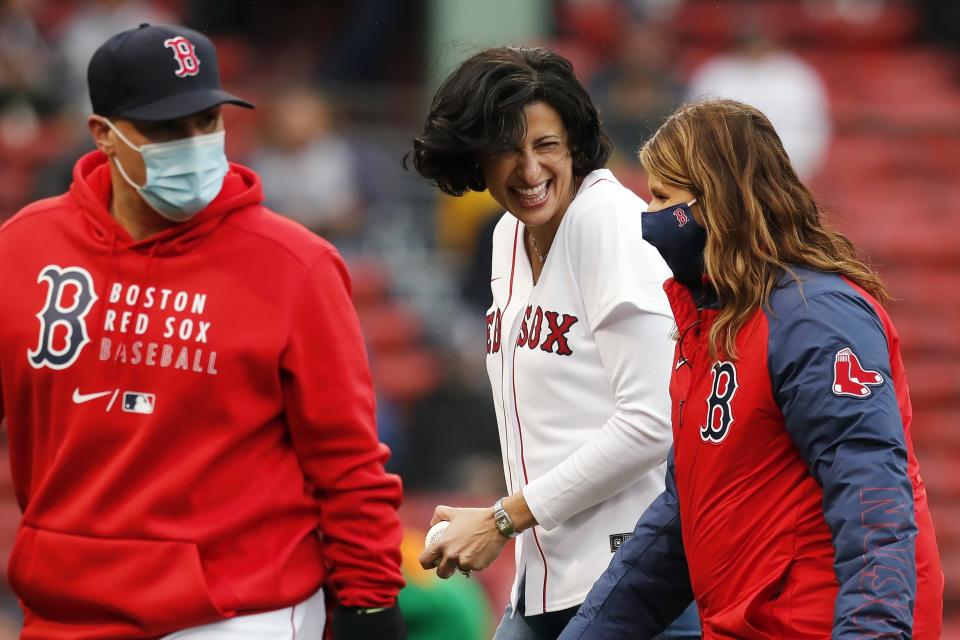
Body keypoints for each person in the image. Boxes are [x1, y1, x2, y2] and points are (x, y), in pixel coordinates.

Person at [0, 24, 406, 639]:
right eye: (167, 128)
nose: (194, 144)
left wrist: (369, 601)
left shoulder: (296, 263)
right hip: (63, 611)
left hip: (237, 612)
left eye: (206, 121)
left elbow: (347, 461)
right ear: (104, 136)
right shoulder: (23, 248)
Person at [559, 99, 944, 639]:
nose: (650, 218)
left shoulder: (817, 318)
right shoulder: (710, 322)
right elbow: (680, 516)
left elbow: (871, 493)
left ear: (719, 200)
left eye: (664, 198)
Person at [407, 46, 700, 639]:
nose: (529, 170)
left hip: (637, 587)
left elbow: (653, 420)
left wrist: (499, 520)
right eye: (506, 149)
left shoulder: (608, 221)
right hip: (547, 580)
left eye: (545, 145)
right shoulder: (508, 236)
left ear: (574, 145)